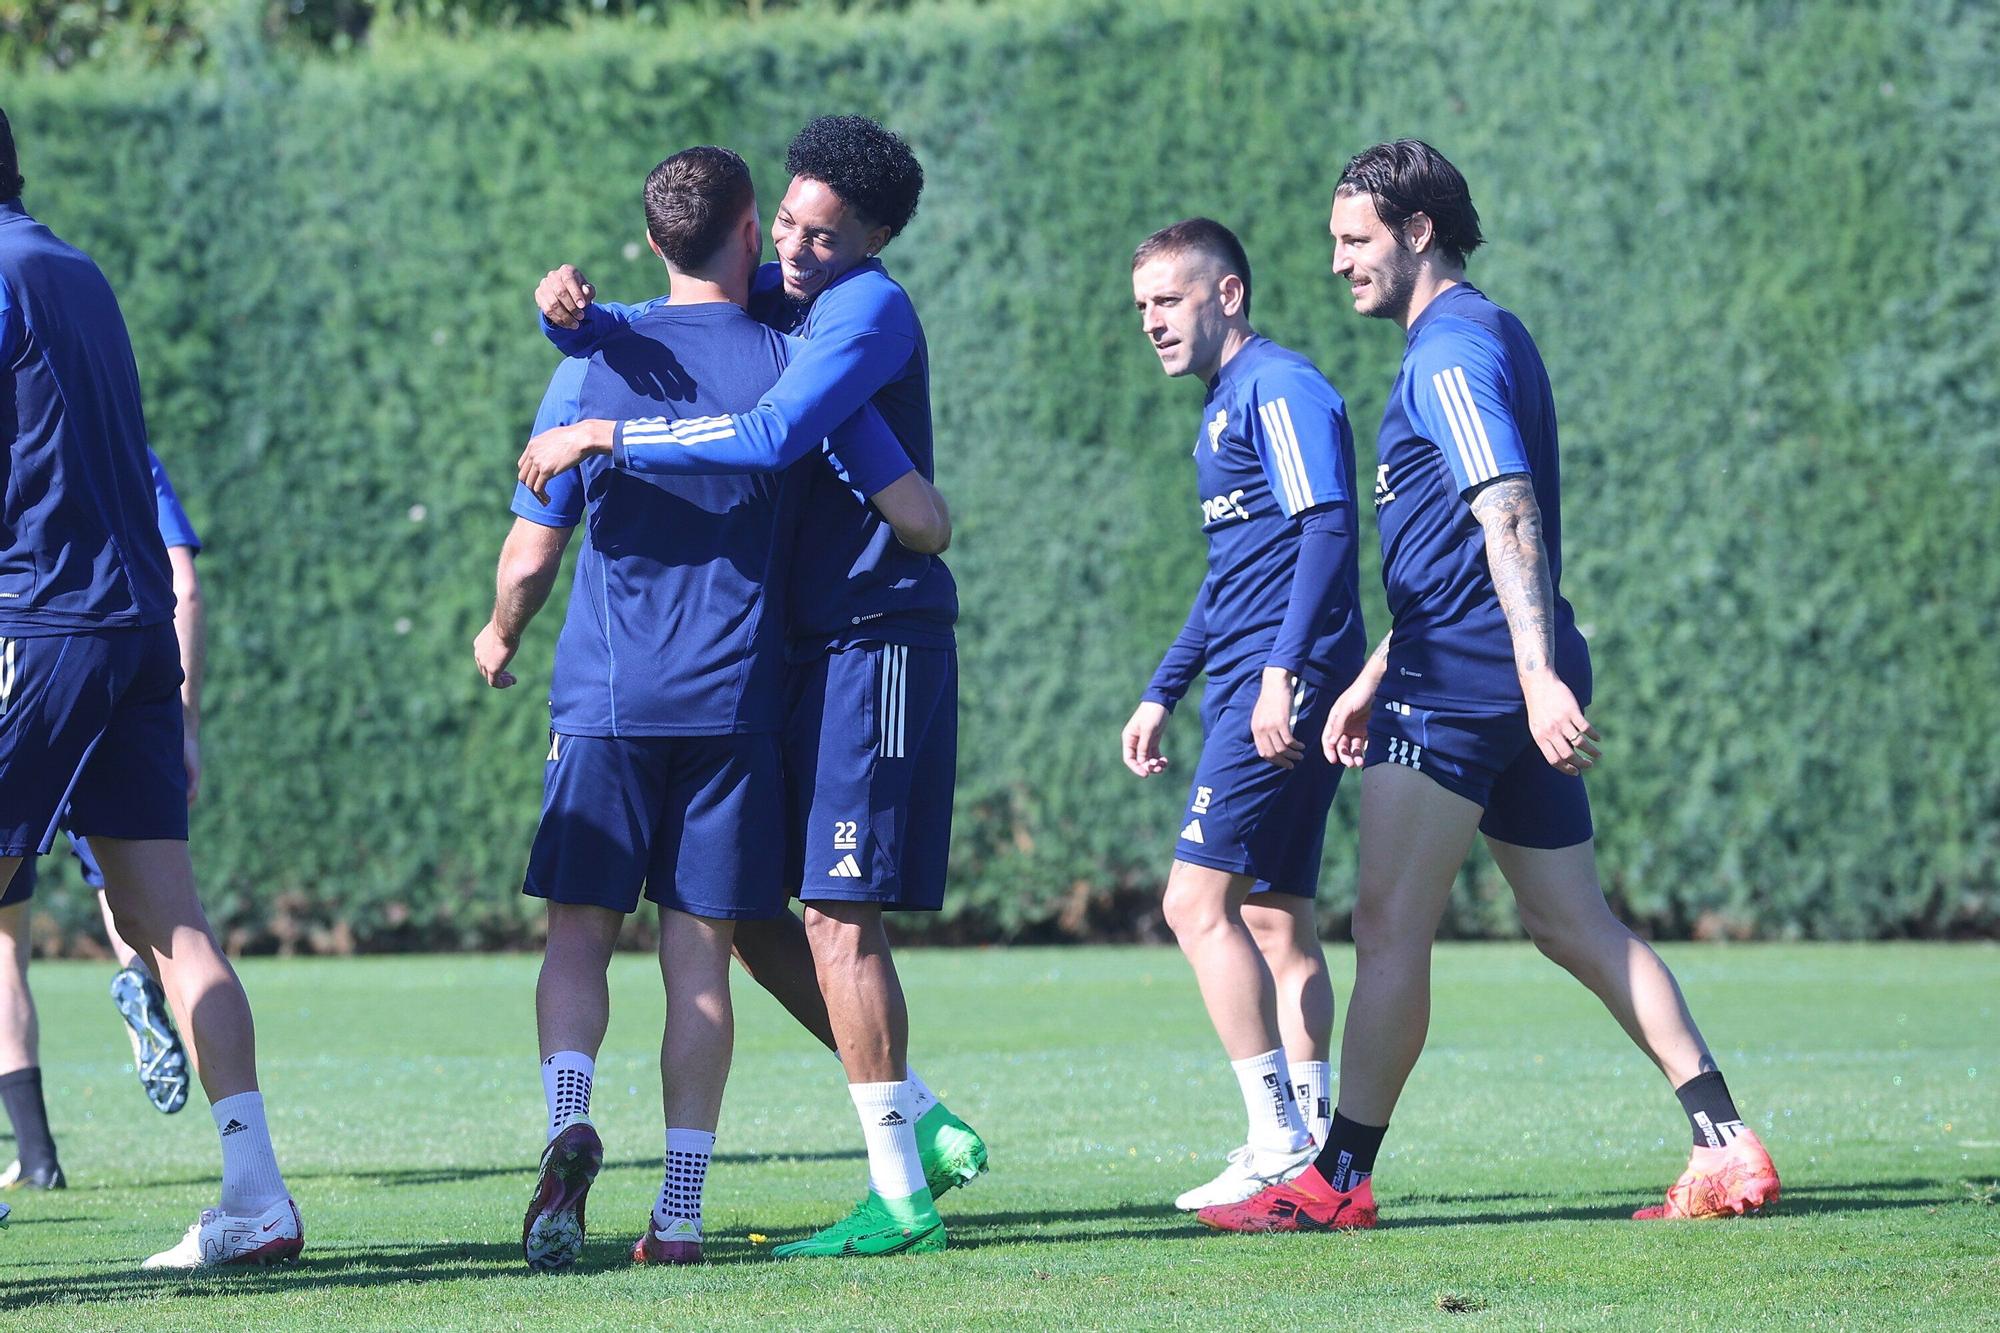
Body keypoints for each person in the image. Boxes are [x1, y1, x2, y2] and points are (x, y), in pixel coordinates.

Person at [1202, 139, 1780, 1233]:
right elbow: (1454, 544)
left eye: (1353, 239)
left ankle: (1333, 1182)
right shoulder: (1489, 333)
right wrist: (1382, 667)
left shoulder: (1447, 352)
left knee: (1386, 925)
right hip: (1475, 661)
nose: (1335, 263)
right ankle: (1723, 1138)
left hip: (1468, 678)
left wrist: (1525, 677)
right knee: (1571, 924)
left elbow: (1503, 506)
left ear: (1418, 232)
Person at [519, 114, 986, 1259]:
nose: (795, 247)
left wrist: (604, 435)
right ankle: (915, 1118)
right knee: (742, 911)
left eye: (824, 237)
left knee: (835, 911)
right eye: (784, 222)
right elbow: (668, 321)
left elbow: (790, 438)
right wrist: (561, 314)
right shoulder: (789, 310)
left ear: (873, 239)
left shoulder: (863, 310)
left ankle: (899, 1193)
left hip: (871, 640)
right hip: (792, 656)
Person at [0, 104, 300, 1267]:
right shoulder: (74, 268)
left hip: (41, 619)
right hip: (130, 629)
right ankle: (256, 1190)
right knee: (166, 920)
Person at [1119, 219, 1364, 1211]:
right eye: (1140, 306)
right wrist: (1160, 687)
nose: (1150, 322)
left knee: (1193, 902)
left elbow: (1326, 528)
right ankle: (1304, 1157)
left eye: (1166, 300)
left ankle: (1273, 1134)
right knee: (1274, 916)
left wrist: (1278, 671)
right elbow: (1231, 579)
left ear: (1226, 295)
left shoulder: (1281, 387)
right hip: (1256, 680)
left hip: (1274, 690)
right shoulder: (1221, 409)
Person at [1, 447, 199, 1188]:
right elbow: (186, 581)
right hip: (125, 657)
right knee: (158, 909)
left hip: (27, 658)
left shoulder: (26, 441)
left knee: (4, 951)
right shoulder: (129, 452)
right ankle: (135, 973)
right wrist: (187, 717)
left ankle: (38, 1154)